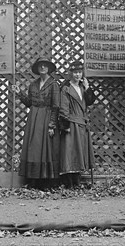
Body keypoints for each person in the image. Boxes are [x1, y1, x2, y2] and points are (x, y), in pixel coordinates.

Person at [12, 57, 61, 189]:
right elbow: (29, 103)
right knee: (33, 148)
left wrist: (52, 125)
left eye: (45, 65)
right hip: (34, 119)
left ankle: (46, 182)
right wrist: (19, 94)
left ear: (49, 68)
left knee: (46, 149)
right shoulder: (33, 84)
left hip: (46, 118)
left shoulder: (54, 84)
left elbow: (56, 106)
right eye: (40, 66)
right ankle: (33, 180)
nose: (43, 68)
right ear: (37, 69)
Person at [59, 61, 97, 188]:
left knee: (80, 152)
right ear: (71, 73)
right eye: (75, 72)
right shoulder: (66, 89)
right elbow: (63, 108)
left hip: (82, 123)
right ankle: (69, 183)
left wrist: (87, 88)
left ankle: (77, 181)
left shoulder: (82, 87)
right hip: (71, 123)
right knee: (70, 153)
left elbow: (90, 101)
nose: (77, 75)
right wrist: (65, 125)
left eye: (79, 72)